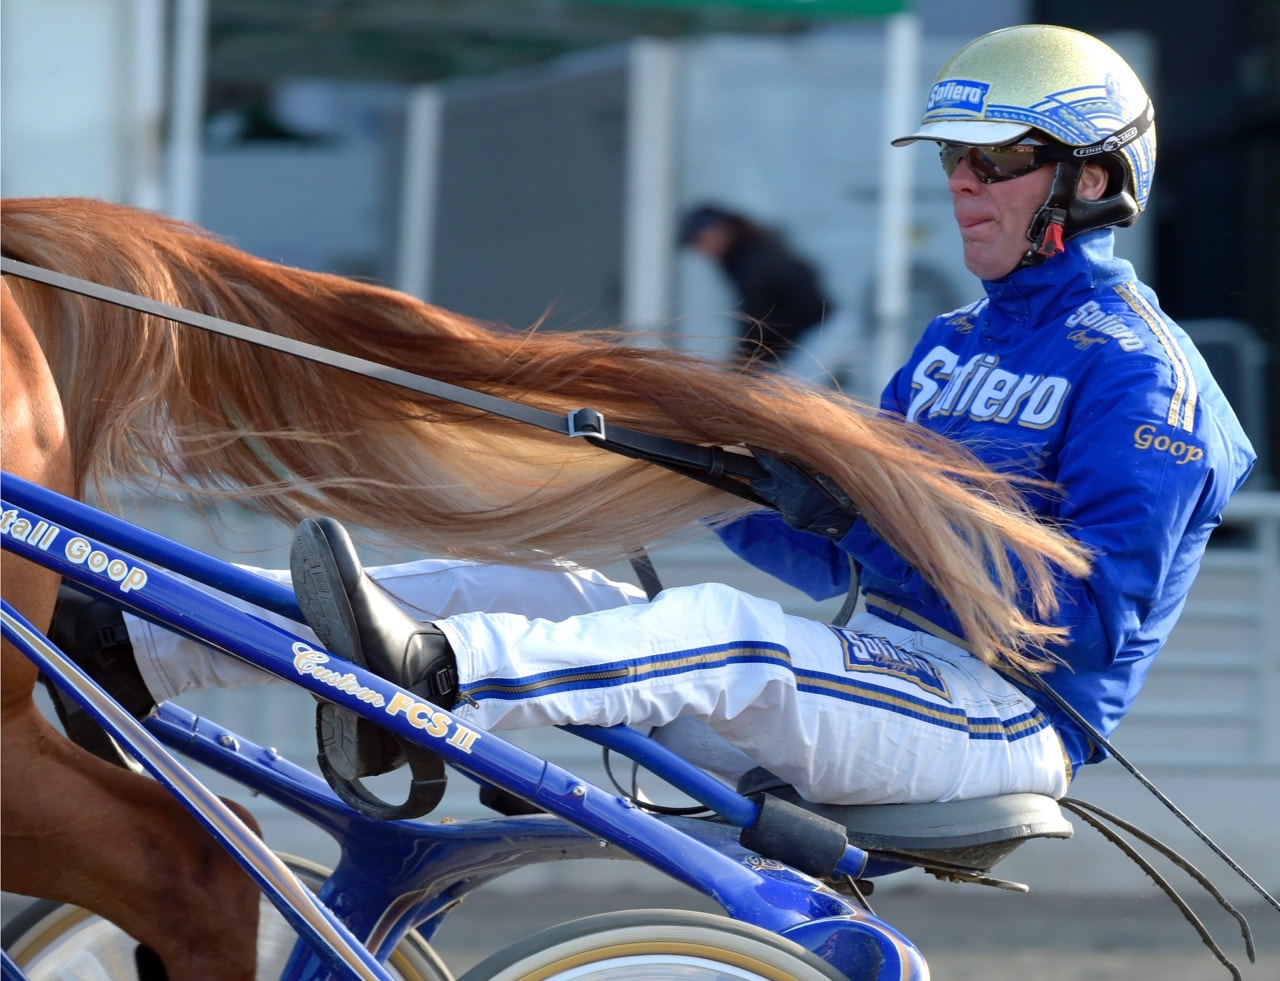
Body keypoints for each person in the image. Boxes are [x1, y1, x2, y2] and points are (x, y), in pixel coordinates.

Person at [51, 25, 1254, 812]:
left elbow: (1081, 629)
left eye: (993, 162)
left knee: (728, 635)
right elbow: (842, 554)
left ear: (1090, 180)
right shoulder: (952, 345)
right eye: (953, 159)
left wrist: (866, 519)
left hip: (994, 722)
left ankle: (438, 683)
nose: (959, 183)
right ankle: (140, 640)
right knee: (536, 585)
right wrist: (730, 483)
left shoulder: (1146, 385)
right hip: (879, 673)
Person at [678, 204, 835, 370]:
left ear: (720, 231)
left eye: (699, 239)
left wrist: (742, 364)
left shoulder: (753, 261)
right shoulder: (746, 254)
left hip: (816, 336)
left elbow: (760, 320)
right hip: (810, 336)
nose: (701, 250)